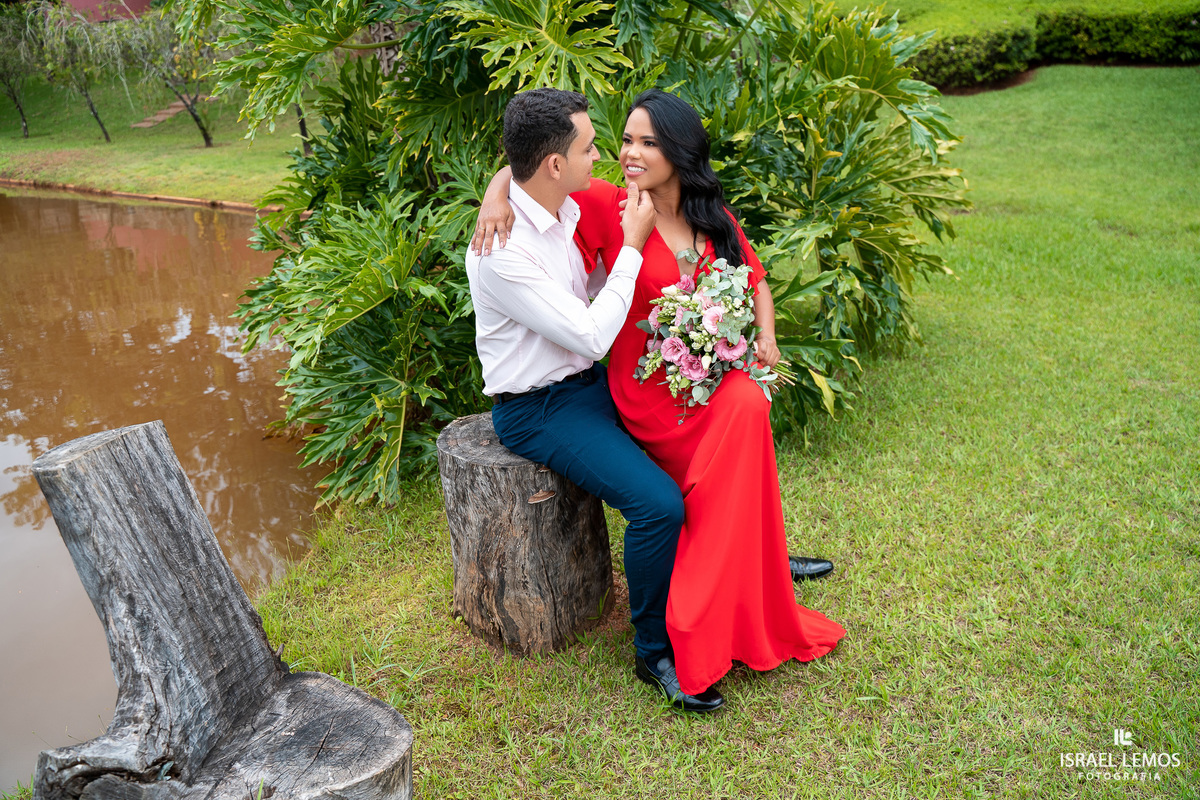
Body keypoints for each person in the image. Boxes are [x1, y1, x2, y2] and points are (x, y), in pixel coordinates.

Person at [471, 89, 845, 698]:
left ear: (679, 152)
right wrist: (498, 195)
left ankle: (758, 569)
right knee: (662, 502)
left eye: (644, 141)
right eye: (617, 142)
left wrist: (759, 341)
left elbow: (541, 166)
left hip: (634, 382)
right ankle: (656, 651)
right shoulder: (600, 208)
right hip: (596, 392)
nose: (622, 154)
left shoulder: (704, 217)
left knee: (748, 404)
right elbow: (529, 165)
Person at [465, 88, 725, 712]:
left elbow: (521, 164)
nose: (603, 157)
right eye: (588, 148)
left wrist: (500, 181)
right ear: (556, 164)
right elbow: (589, 333)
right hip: (540, 408)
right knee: (658, 503)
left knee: (704, 444)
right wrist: (633, 246)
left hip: (589, 384)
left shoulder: (562, 210)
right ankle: (652, 650)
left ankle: (743, 565)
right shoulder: (505, 251)